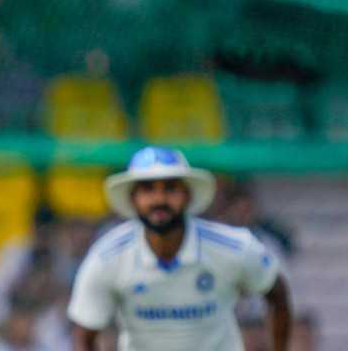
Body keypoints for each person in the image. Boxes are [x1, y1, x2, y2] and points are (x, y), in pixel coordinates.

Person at [68, 147, 292, 351]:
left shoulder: (234, 248)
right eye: (147, 189)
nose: (159, 199)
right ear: (133, 199)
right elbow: (85, 335)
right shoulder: (107, 258)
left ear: (187, 195)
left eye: (170, 188)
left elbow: (278, 294)